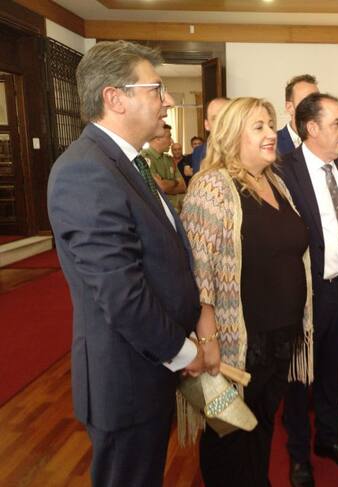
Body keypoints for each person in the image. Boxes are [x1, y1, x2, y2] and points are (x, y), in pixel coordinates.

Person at [47, 40, 203, 487]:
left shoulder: (125, 162)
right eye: (156, 89)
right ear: (115, 98)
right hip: (127, 377)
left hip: (148, 367)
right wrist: (184, 350)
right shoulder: (86, 170)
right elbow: (121, 293)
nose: (167, 101)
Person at [181, 97, 314, 487]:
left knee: (261, 423)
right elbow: (197, 271)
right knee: (229, 431)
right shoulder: (211, 185)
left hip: (281, 335)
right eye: (259, 126)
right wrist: (207, 339)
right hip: (238, 341)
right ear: (231, 134)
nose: (271, 133)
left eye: (270, 124)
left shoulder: (275, 182)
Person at [280, 92, 338, 486]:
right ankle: (299, 455)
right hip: (304, 296)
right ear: (312, 128)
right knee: (299, 381)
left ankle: (328, 441)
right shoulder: (283, 172)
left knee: (332, 375)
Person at [142, 124, 186, 212]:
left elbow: (183, 186)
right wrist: (175, 182)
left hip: (177, 211)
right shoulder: (144, 158)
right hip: (160, 212)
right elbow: (161, 187)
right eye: (169, 137)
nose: (171, 141)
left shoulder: (169, 159)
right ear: (157, 138)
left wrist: (167, 184)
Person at [277, 74, 319, 156]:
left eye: (318, 100)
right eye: (307, 101)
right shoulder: (273, 144)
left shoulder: (327, 142)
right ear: (290, 107)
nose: (315, 106)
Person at [190, 97, 229, 174]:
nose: (221, 123)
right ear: (207, 124)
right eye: (215, 118)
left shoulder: (248, 150)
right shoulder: (199, 152)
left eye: (227, 117)